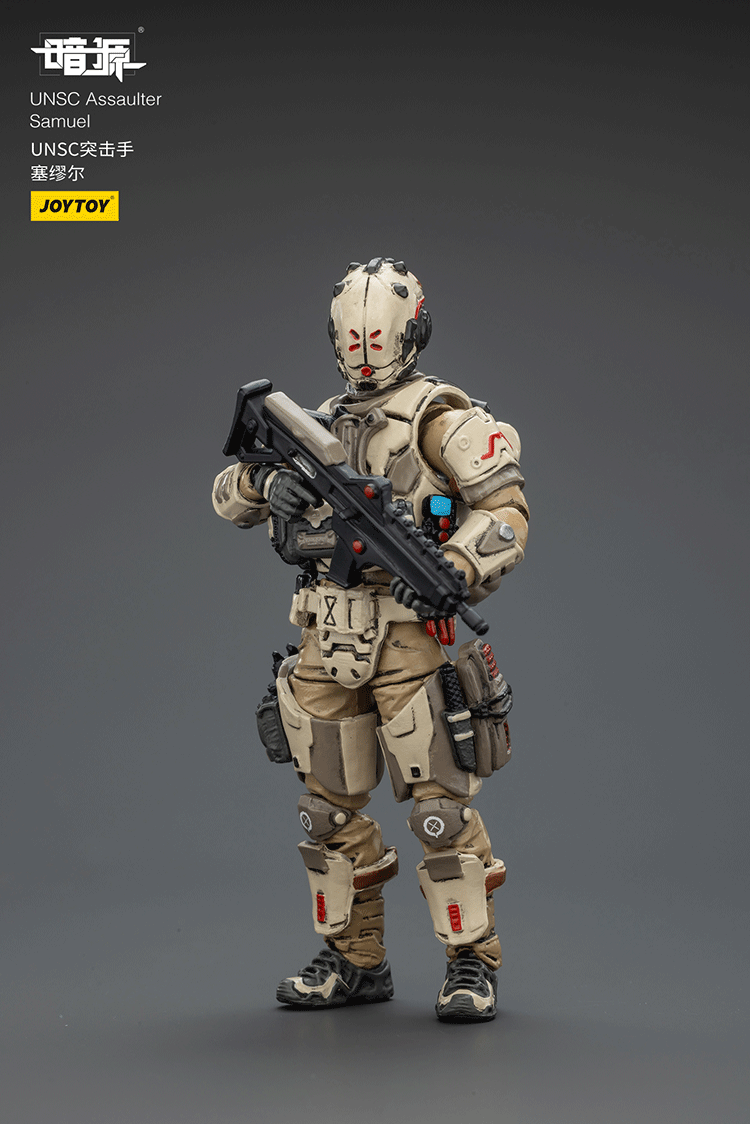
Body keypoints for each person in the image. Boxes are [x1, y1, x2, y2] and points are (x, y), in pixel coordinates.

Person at [212, 257, 529, 1021]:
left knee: (438, 809)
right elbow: (226, 496)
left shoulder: (440, 419)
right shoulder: (310, 423)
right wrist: (268, 484)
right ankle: (354, 960)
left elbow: (507, 512)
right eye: (351, 340)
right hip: (326, 634)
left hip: (408, 635)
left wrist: (452, 567)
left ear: (411, 334)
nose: (362, 353)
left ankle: (471, 962)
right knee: (325, 810)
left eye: (375, 338)